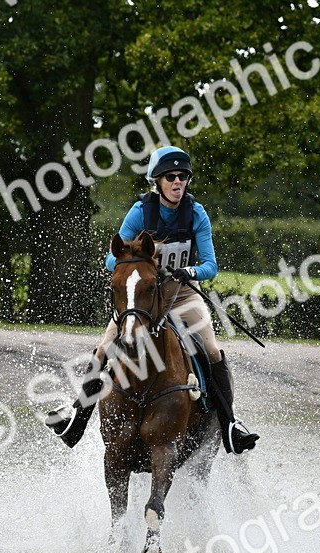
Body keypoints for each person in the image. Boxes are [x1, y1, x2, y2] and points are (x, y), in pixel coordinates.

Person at [45, 145, 259, 455]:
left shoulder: (196, 213)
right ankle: (77, 414)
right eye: (170, 177)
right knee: (106, 346)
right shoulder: (140, 212)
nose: (177, 183)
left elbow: (211, 266)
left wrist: (187, 270)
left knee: (211, 350)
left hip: (182, 293)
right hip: (144, 296)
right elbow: (111, 261)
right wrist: (143, 265)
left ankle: (230, 425)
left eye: (183, 177)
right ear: (156, 181)